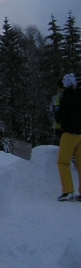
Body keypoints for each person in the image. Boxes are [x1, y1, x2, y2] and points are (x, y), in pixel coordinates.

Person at [55, 73, 81, 202]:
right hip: (80, 134)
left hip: (69, 133)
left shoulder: (66, 99)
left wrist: (56, 110)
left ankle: (68, 191)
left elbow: (60, 119)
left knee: (63, 162)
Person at [49, 80, 65, 146]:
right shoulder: (54, 98)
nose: (59, 90)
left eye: (61, 88)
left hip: (67, 126)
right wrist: (52, 124)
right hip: (57, 126)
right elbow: (51, 112)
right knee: (58, 145)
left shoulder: (69, 98)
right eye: (58, 88)